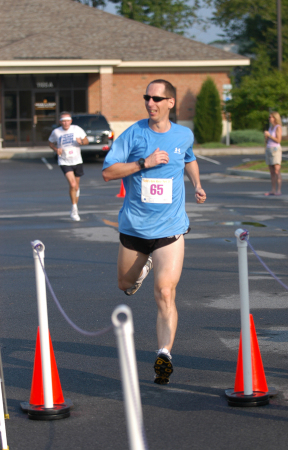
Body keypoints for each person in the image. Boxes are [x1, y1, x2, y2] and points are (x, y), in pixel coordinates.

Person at [102, 79, 206, 385]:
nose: (150, 103)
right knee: (125, 284)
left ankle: (164, 355)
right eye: (147, 97)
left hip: (171, 228)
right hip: (134, 227)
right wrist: (142, 163)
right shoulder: (134, 134)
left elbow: (189, 158)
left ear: (170, 102)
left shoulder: (183, 135)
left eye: (157, 98)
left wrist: (197, 184)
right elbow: (108, 172)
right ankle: (142, 265)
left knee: (165, 292)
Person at [48, 111, 89, 221]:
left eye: (67, 121)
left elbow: (86, 140)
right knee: (72, 184)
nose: (65, 123)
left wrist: (81, 142)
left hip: (77, 160)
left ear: (70, 121)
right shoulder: (56, 132)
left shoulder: (77, 129)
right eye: (63, 121)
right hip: (64, 161)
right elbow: (50, 142)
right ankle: (74, 209)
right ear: (60, 122)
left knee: (76, 187)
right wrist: (56, 149)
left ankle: (74, 206)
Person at [264, 111, 282, 196]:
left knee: (277, 170)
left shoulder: (278, 127)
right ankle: (273, 189)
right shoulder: (270, 128)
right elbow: (267, 141)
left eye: (271, 117)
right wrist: (266, 137)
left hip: (275, 149)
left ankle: (279, 190)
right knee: (271, 171)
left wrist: (270, 136)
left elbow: (278, 140)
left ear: (275, 118)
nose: (269, 119)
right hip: (269, 148)